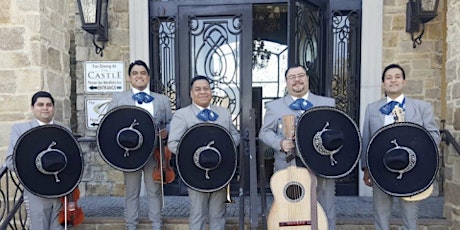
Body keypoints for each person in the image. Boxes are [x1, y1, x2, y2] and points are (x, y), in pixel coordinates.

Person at [361, 63, 441, 230]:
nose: (393, 81)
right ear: (383, 84)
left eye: (397, 77)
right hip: (380, 168)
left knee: (410, 215)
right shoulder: (372, 108)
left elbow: (434, 136)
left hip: (411, 168)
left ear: (404, 82)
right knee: (380, 213)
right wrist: (366, 167)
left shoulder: (422, 107)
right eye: (388, 78)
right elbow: (367, 139)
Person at [258, 65, 337, 230]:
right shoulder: (274, 106)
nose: (297, 80)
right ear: (286, 82)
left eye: (301, 75)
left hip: (321, 163)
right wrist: (279, 143)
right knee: (289, 207)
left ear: (307, 78)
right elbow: (264, 132)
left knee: (325, 205)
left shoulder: (327, 103)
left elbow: (337, 131)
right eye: (292, 77)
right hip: (288, 164)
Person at [167, 75, 240, 230]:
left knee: (218, 213)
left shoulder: (224, 113)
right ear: (191, 93)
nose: (203, 92)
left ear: (211, 91)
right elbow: (173, 143)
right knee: (198, 213)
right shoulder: (182, 114)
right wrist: (193, 154)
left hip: (219, 169)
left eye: (206, 88)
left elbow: (235, 135)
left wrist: (225, 148)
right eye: (198, 89)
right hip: (195, 172)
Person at [107, 60, 173, 230]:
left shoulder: (162, 100)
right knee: (131, 192)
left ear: (148, 77)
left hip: (154, 152)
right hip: (130, 153)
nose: (139, 76)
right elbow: (109, 123)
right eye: (135, 73)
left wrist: (167, 131)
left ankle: (156, 224)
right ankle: (131, 225)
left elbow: (172, 122)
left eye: (143, 73)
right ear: (129, 77)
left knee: (154, 190)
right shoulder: (119, 98)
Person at [5, 91, 64, 230]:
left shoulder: (63, 129)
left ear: (53, 108)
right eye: (40, 105)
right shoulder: (20, 129)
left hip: (61, 190)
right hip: (36, 190)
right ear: (32, 108)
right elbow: (10, 160)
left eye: (49, 105)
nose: (45, 108)